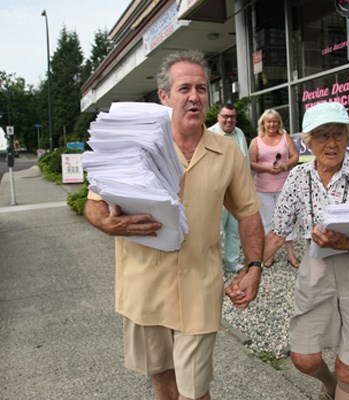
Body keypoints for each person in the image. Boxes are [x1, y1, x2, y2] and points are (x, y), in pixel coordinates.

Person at [84, 50, 264, 400]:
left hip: (198, 284)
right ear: (164, 97)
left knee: (194, 390)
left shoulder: (227, 153)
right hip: (143, 286)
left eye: (201, 88)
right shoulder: (134, 146)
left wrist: (254, 266)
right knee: (162, 377)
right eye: (184, 88)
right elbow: (94, 204)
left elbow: (248, 213)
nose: (194, 96)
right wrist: (108, 225)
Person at [263, 102, 349, 400]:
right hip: (317, 268)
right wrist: (250, 268)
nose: (331, 142)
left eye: (338, 134)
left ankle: (343, 386)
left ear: (348, 138)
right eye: (322, 135)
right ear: (308, 142)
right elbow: (278, 230)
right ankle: (329, 386)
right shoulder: (298, 177)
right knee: (304, 358)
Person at [248, 109, 300, 268]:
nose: (271, 124)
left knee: (287, 220)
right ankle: (269, 255)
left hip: (284, 186)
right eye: (268, 121)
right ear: (263, 123)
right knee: (268, 221)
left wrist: (285, 166)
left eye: (274, 121)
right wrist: (267, 169)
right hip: (263, 188)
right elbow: (251, 162)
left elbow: (295, 156)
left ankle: (291, 254)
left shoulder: (285, 137)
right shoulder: (256, 141)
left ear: (279, 123)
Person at [209, 103, 249, 273]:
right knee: (215, 231)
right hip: (216, 191)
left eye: (232, 116)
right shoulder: (209, 134)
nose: (229, 120)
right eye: (225, 116)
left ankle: (232, 263)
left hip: (236, 190)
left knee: (233, 229)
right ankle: (215, 267)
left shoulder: (239, 133)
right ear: (218, 117)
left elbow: (245, 161)